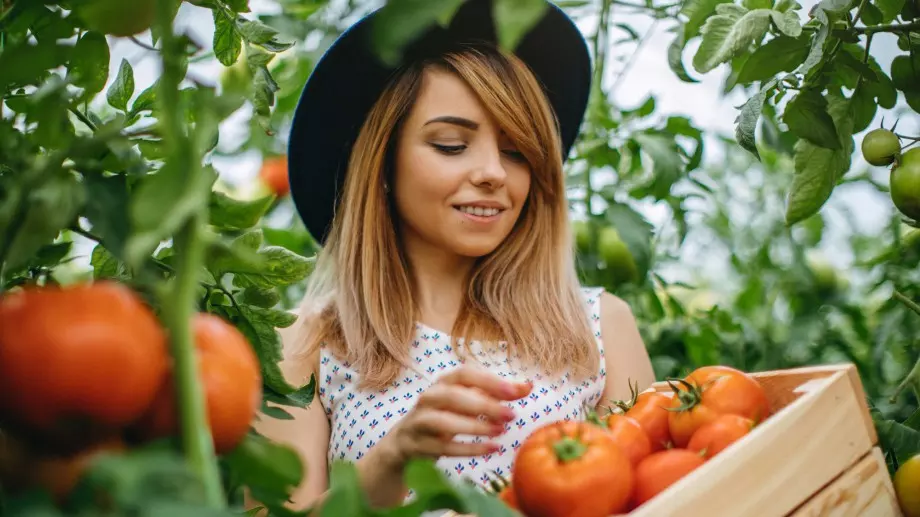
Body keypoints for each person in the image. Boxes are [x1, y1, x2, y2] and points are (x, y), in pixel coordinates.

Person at [254, 0, 656, 512]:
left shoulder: (598, 326)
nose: (493, 171)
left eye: (516, 152)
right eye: (450, 145)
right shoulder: (304, 349)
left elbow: (659, 494)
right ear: (383, 162)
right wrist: (392, 458)